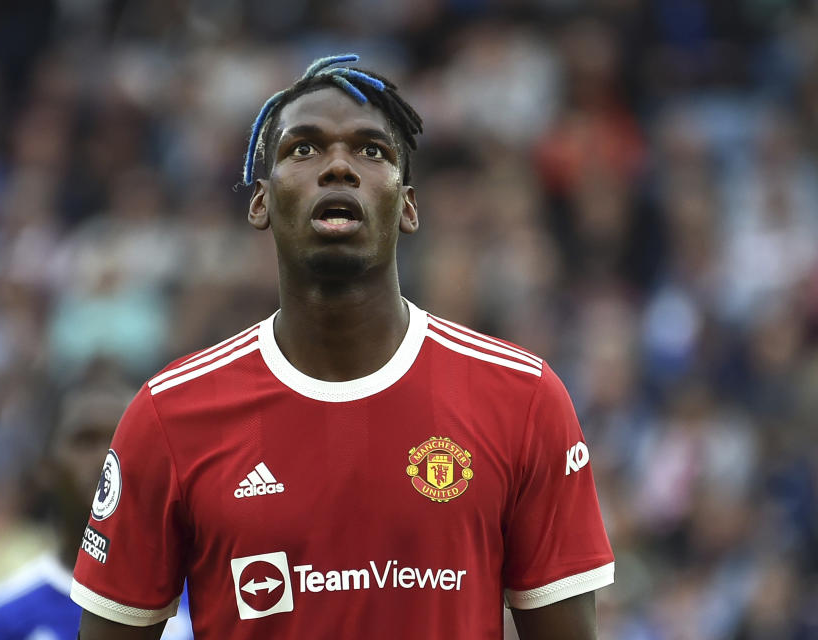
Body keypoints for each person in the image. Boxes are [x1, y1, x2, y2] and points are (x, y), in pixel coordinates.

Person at [72, 54, 614, 639]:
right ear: (260, 202)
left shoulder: (523, 398)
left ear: (407, 206)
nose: (338, 167)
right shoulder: (169, 416)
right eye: (303, 149)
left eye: (371, 150)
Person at [0, 383, 194, 640]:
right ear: (46, 468)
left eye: (122, 438)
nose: (106, 457)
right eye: (85, 441)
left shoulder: (200, 598)